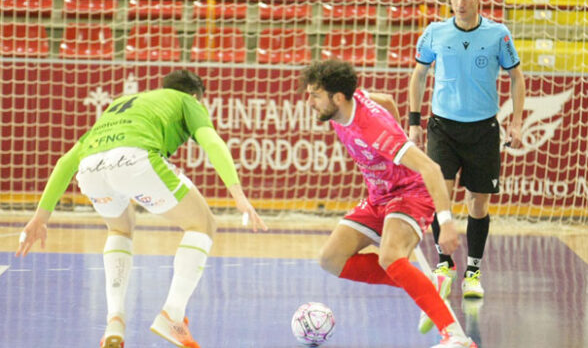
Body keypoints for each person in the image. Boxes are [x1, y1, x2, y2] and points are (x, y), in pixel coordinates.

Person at [15, 70, 267, 348]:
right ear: (196, 96)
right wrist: (238, 194)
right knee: (203, 225)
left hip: (90, 168)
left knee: (120, 228)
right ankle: (173, 315)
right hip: (135, 159)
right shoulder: (188, 102)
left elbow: (65, 162)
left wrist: (41, 216)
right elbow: (213, 143)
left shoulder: (125, 103)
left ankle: (115, 321)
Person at [302, 59, 476, 348]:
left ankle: (456, 337)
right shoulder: (350, 102)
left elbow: (431, 169)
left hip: (410, 194)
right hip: (379, 196)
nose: (310, 102)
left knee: (391, 257)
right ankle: (427, 284)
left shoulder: (374, 128)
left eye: (315, 95)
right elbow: (387, 100)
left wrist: (446, 224)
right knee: (330, 259)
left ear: (337, 98)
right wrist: (398, 126)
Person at [407, 0, 525, 329]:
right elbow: (419, 74)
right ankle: (444, 265)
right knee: (438, 193)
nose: (460, 3)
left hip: (483, 129)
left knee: (477, 203)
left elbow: (516, 76)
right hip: (442, 127)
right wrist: (414, 122)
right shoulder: (435, 33)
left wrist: (517, 120)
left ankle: (473, 271)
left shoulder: (498, 35)